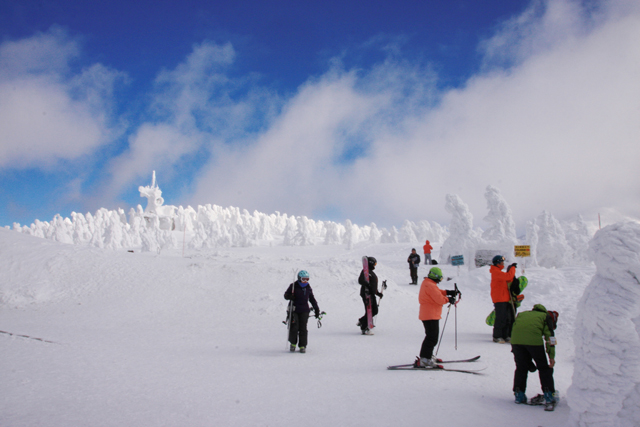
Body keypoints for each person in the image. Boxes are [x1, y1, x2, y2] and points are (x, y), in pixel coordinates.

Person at [511, 304, 559, 406]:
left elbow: (516, 329)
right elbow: (550, 338)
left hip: (515, 341)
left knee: (521, 368)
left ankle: (519, 395)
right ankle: (549, 394)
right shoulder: (546, 316)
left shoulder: (522, 314)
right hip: (534, 342)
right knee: (544, 368)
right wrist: (551, 357)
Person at [416, 267, 459, 367]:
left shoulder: (428, 283)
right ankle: (424, 359)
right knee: (432, 337)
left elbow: (437, 292)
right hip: (430, 315)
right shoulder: (430, 285)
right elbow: (439, 299)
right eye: (440, 278)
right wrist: (449, 299)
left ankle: (427, 355)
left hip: (430, 314)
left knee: (432, 337)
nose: (440, 280)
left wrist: (448, 292)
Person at [284, 270, 320, 353]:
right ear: (299, 278)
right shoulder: (293, 286)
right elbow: (285, 295)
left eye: (307, 279)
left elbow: (312, 299)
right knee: (294, 327)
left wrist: (316, 308)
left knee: (303, 328)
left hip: (304, 310)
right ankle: (293, 343)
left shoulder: (308, 287)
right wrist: (290, 296)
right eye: (304, 279)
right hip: (294, 310)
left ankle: (302, 345)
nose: (305, 281)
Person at [490, 255, 517, 343]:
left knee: (507, 318)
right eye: (501, 262)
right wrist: (512, 268)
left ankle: (506, 335)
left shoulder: (499, 272)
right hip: (499, 298)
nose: (503, 263)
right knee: (501, 318)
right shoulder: (496, 272)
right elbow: (508, 277)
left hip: (505, 298)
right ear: (497, 263)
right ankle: (497, 336)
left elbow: (508, 279)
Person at [357, 256, 384, 335]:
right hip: (366, 294)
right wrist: (367, 285)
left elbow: (373, 285)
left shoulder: (371, 272)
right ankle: (364, 327)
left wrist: (378, 293)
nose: (375, 265)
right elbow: (360, 280)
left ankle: (362, 321)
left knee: (374, 310)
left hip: (371, 294)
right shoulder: (365, 271)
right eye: (374, 264)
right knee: (371, 311)